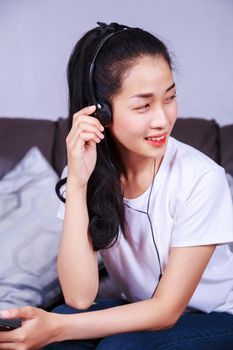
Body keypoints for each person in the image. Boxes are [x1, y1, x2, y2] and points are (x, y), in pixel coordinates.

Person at [0, 21, 233, 350]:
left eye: (170, 98)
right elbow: (79, 297)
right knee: (62, 325)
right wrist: (79, 183)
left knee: (118, 346)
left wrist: (56, 327)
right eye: (142, 106)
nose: (162, 119)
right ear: (101, 111)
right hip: (140, 310)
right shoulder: (88, 169)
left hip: (218, 316)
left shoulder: (201, 178)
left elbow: (166, 311)